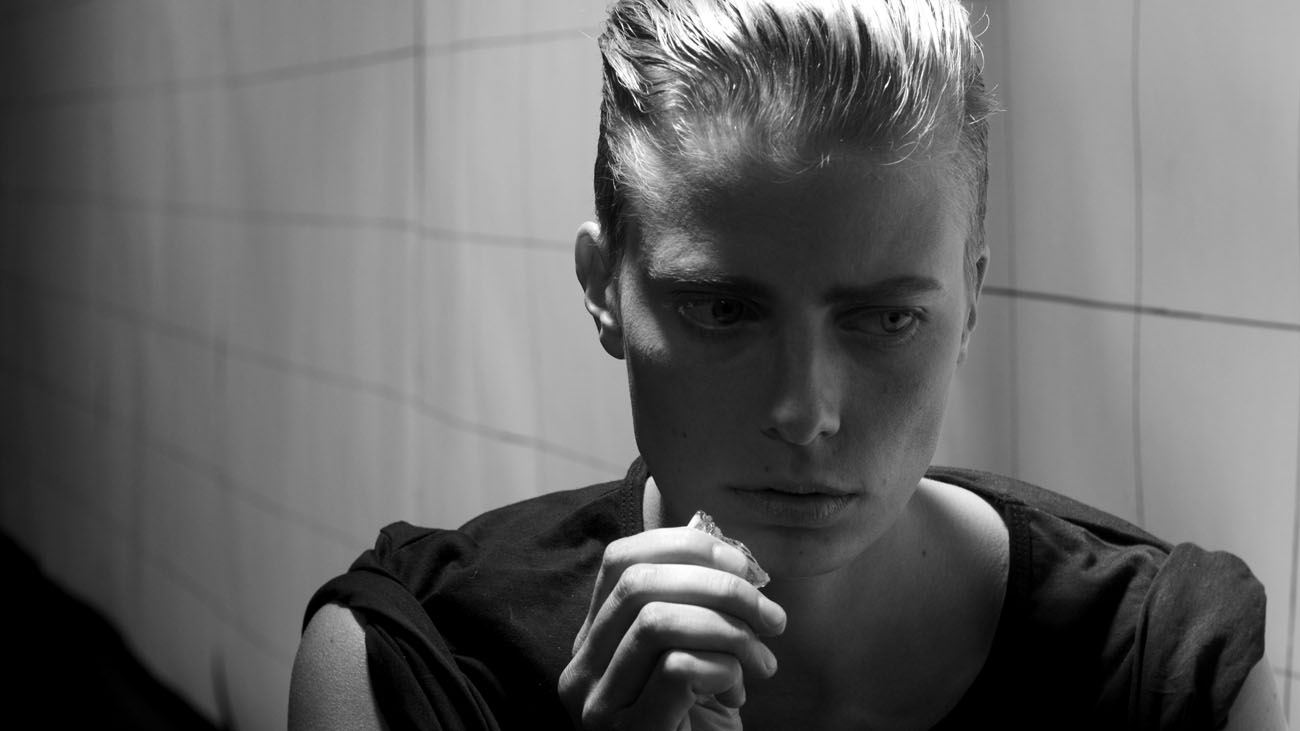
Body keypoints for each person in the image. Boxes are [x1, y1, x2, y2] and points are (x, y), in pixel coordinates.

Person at [289, 1, 1285, 728]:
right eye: (724, 309)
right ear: (604, 288)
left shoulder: (1169, 672)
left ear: (969, 302)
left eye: (885, 318)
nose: (805, 409)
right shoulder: (413, 667)